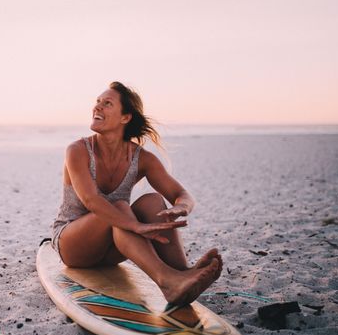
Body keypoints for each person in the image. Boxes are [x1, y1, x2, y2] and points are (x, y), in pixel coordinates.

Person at [52, 82, 223, 306]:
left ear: (125, 117)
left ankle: (182, 273)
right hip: (73, 245)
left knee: (153, 201)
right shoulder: (78, 150)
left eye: (107, 103)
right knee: (121, 206)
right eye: (97, 102)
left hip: (114, 249)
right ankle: (167, 280)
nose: (98, 107)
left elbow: (181, 193)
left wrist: (181, 206)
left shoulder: (141, 158)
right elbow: (90, 200)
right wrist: (135, 226)